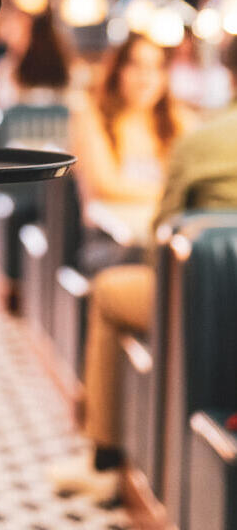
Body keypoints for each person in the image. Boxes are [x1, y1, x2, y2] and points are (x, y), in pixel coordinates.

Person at [51, 35, 237, 503]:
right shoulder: (103, 118)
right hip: (113, 243)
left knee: (112, 292)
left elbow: (162, 234)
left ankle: (106, 458)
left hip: (203, 298)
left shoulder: (202, 138)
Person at [71, 33, 194, 258]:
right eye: (136, 66)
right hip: (108, 240)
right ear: (118, 71)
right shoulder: (92, 117)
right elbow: (107, 186)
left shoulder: (177, 121)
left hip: (160, 232)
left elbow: (190, 179)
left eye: (155, 67)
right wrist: (171, 195)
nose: (145, 77)